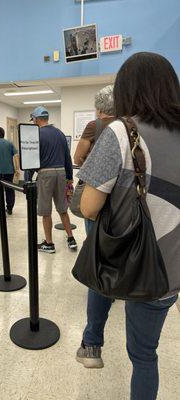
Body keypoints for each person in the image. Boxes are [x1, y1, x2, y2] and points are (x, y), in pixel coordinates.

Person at [75, 52, 180, 400]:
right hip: (172, 271)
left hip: (132, 262)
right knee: (146, 354)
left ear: (127, 90)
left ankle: (92, 344)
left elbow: (89, 208)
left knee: (140, 353)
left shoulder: (122, 131)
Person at [30, 106, 77, 253]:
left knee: (46, 211)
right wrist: (69, 177)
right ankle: (71, 239)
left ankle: (49, 244)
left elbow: (31, 159)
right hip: (62, 173)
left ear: (37, 119)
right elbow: (67, 158)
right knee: (62, 208)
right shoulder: (60, 134)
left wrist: (28, 179)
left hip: (45, 174)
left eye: (33, 120)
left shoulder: (35, 134)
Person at [74, 85, 115, 233]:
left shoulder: (94, 126)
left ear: (99, 109)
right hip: (120, 193)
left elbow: (77, 158)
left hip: (96, 189)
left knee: (93, 235)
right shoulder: (129, 126)